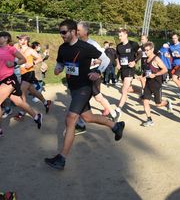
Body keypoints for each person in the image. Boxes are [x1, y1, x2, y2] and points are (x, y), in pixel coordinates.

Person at [44, 19, 125, 170]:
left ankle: (61, 158)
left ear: (73, 32)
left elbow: (106, 59)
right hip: (73, 88)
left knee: (70, 119)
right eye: (60, 32)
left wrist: (97, 72)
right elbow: (61, 63)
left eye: (64, 32)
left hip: (84, 87)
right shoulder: (62, 48)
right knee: (88, 117)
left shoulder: (85, 47)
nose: (61, 35)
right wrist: (57, 68)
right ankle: (116, 126)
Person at [0, 32, 42, 137]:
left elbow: (23, 59)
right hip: (1, 79)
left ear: (5, 38)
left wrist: (14, 63)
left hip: (9, 79)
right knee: (18, 102)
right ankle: (36, 116)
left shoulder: (11, 49)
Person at [73, 21, 112, 135]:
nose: (76, 32)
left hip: (91, 75)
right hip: (78, 78)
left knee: (95, 97)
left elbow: (105, 59)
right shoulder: (75, 43)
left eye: (78, 30)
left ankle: (112, 116)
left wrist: (98, 71)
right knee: (90, 99)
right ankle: (81, 124)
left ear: (86, 31)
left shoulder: (92, 44)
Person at [14, 35, 51, 119]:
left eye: (21, 39)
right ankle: (46, 102)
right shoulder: (19, 49)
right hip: (23, 73)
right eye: (19, 39)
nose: (19, 40)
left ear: (26, 40)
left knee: (21, 92)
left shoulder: (30, 50)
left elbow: (40, 58)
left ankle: (22, 112)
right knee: (33, 91)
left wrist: (32, 63)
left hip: (29, 73)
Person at [141, 42, 173, 126]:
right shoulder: (145, 59)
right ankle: (149, 119)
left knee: (158, 104)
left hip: (156, 84)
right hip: (148, 84)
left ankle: (167, 102)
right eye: (145, 50)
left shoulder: (156, 59)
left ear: (152, 50)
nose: (146, 52)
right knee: (145, 101)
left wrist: (155, 75)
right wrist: (142, 76)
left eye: (148, 50)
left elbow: (165, 69)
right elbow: (146, 71)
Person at [112, 28, 140, 122]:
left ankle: (118, 110)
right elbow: (117, 56)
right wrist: (118, 64)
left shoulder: (133, 44)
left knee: (124, 89)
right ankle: (143, 91)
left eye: (121, 36)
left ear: (126, 35)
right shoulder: (119, 46)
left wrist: (134, 61)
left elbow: (140, 53)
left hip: (130, 69)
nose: (119, 37)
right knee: (127, 89)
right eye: (119, 36)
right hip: (123, 70)